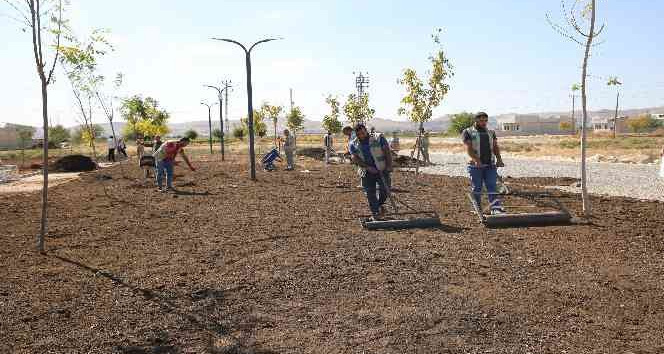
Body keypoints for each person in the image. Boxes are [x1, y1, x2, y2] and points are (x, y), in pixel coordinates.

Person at [462, 112, 505, 214]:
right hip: (475, 166)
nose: (484, 123)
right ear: (476, 120)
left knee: (492, 186)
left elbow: (495, 147)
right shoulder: (467, 132)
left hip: (490, 165)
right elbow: (469, 148)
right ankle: (477, 209)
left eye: (485, 120)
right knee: (477, 187)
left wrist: (499, 159)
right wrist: (477, 160)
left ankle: (496, 208)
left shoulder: (491, 132)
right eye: (481, 120)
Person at [350, 123, 393, 220]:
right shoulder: (353, 143)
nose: (361, 136)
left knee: (385, 189)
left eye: (362, 133)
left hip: (382, 169)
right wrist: (367, 167)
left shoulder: (378, 138)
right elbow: (354, 157)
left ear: (366, 130)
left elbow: (387, 151)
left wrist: (389, 165)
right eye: (358, 134)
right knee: (370, 192)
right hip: (366, 171)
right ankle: (376, 213)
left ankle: (379, 205)